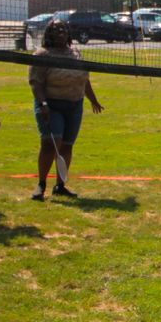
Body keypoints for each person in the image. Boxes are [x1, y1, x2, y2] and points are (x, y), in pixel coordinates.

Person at [30, 20, 104, 199]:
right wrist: (43, 104)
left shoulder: (75, 53)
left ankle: (60, 185)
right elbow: (35, 83)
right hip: (51, 105)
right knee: (51, 143)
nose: (61, 33)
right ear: (49, 34)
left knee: (67, 145)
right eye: (56, 30)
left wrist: (93, 100)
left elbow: (84, 79)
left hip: (74, 105)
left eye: (63, 30)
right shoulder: (42, 54)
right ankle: (41, 184)